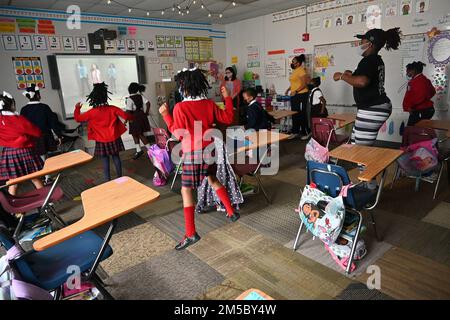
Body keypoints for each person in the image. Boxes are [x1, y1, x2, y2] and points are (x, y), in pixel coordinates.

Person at [159, 68, 237, 250]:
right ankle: (231, 212)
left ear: (184, 87)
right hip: (209, 150)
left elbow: (177, 134)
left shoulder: (180, 107)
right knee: (212, 179)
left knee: (186, 190)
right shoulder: (209, 104)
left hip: (193, 153)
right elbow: (228, 117)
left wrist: (165, 114)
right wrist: (227, 98)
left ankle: (191, 233)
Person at [333, 28, 401, 146]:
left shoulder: (368, 61)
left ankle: (365, 165)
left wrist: (341, 76)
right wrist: (351, 74)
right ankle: (360, 163)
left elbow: (362, 82)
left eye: (362, 41)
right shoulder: (376, 60)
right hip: (375, 107)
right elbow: (364, 78)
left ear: (370, 44)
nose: (360, 44)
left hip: (373, 108)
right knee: (355, 143)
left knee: (360, 149)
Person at [74, 82, 133, 182]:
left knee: (105, 159)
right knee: (116, 157)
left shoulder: (91, 112)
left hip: (101, 140)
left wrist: (77, 108)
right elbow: (127, 116)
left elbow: (78, 118)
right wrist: (132, 113)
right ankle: (120, 177)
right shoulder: (113, 108)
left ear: (94, 98)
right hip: (114, 137)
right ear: (106, 96)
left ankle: (107, 180)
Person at [0, 91, 44, 196]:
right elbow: (37, 132)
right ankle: (47, 202)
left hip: (8, 153)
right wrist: (25, 137)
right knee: (34, 178)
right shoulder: (18, 119)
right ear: (12, 104)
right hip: (24, 151)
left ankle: (13, 209)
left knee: (13, 183)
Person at [20, 84, 63, 183]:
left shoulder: (24, 109)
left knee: (39, 157)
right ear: (38, 95)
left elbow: (23, 126)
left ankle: (43, 176)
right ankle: (47, 177)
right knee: (44, 157)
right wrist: (59, 135)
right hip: (44, 136)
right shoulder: (44, 107)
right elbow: (53, 123)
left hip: (31, 138)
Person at [285, 54, 311, 140]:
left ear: (299, 63)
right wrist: (288, 89)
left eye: (294, 62)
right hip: (294, 95)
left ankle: (306, 132)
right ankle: (295, 132)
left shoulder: (301, 71)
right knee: (294, 114)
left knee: (302, 114)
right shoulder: (295, 70)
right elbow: (294, 82)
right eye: (292, 61)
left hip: (301, 94)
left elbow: (304, 84)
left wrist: (296, 91)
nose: (292, 63)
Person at [403, 61, 436, 126]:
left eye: (408, 71)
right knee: (414, 129)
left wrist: (410, 105)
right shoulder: (423, 79)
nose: (407, 73)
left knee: (413, 129)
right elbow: (432, 91)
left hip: (422, 110)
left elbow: (421, 96)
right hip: (422, 109)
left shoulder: (419, 81)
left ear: (413, 71)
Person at [126, 83, 152, 159]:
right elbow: (148, 103)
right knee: (135, 133)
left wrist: (126, 119)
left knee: (139, 134)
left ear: (129, 90)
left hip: (134, 117)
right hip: (141, 115)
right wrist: (146, 112)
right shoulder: (140, 96)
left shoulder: (129, 99)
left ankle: (151, 151)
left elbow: (128, 111)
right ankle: (139, 150)